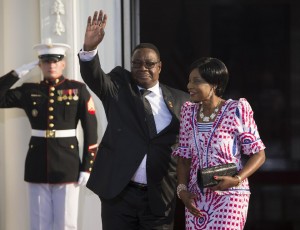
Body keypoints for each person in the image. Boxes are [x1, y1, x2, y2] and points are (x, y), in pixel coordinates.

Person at [78, 10, 189, 229]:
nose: (142, 69)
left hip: (159, 197)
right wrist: (90, 49)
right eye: (137, 64)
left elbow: (192, 143)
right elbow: (95, 77)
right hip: (119, 194)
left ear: (159, 66)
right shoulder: (119, 87)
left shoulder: (181, 100)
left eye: (149, 64)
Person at [0, 41, 98, 230]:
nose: (51, 65)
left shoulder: (78, 90)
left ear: (63, 63)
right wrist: (16, 74)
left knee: (66, 224)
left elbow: (91, 130)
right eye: (46, 61)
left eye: (56, 61)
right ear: (40, 64)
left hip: (67, 165)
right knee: (38, 224)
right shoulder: (29, 91)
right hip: (37, 163)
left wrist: (87, 166)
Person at [172, 57, 266, 229]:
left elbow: (259, 154)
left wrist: (236, 179)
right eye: (189, 81)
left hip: (230, 194)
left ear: (214, 84)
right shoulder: (188, 111)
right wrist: (182, 191)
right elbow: (184, 158)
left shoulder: (236, 109)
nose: (189, 86)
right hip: (196, 197)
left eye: (196, 81)